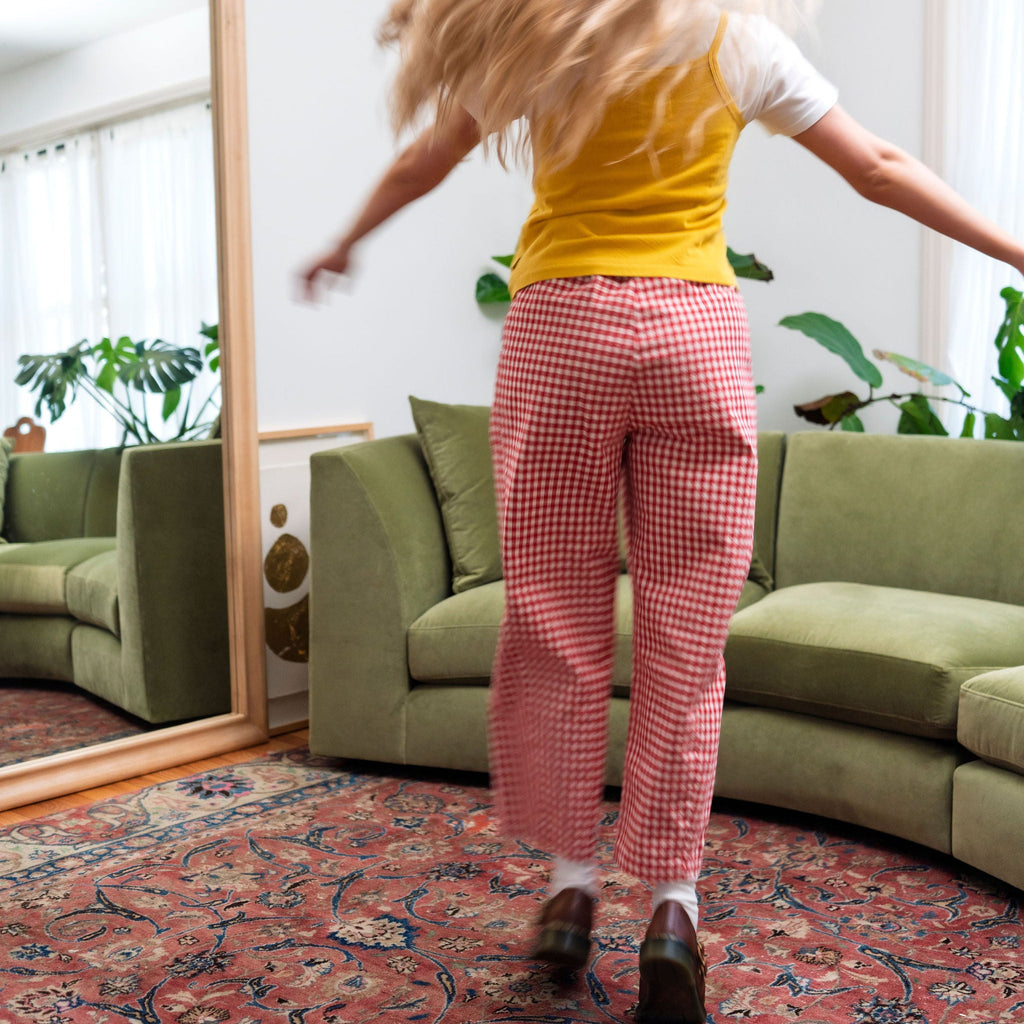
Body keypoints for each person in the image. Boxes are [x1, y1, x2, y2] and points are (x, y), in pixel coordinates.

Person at [302, 3, 1024, 1021]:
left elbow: (426, 159)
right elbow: (876, 166)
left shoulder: (533, 35)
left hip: (558, 332)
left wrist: (344, 241)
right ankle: (673, 908)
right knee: (689, 636)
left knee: (553, 619)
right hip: (692, 337)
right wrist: (1015, 250)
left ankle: (569, 886)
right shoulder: (736, 39)